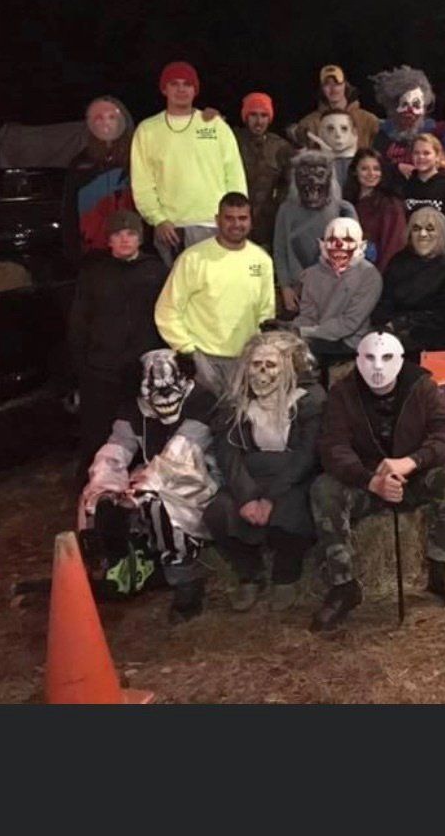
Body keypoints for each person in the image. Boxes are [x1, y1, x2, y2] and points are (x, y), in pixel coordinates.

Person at [310, 328, 445, 630]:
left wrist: (412, 461)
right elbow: (333, 447)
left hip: (412, 477)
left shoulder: (422, 387)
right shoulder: (343, 394)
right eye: (370, 358)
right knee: (324, 488)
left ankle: (442, 568)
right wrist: (369, 480)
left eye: (386, 358)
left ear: (400, 359)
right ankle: (343, 584)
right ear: (358, 359)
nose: (377, 367)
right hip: (366, 483)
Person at [78, 347, 219, 620]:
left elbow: (182, 454)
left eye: (170, 385)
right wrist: (104, 489)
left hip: (201, 478)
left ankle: (185, 579)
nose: (165, 394)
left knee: (157, 501)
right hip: (153, 475)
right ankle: (116, 565)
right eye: (154, 387)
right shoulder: (134, 409)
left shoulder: (202, 401)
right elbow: (116, 448)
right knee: (95, 498)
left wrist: (135, 493)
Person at [204, 329, 326, 612]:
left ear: (287, 367)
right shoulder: (234, 404)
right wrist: (246, 497)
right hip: (251, 477)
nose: (262, 372)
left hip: (292, 479)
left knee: (293, 511)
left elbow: (307, 455)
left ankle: (286, 575)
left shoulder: (310, 400)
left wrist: (271, 498)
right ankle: (250, 573)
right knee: (219, 512)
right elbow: (228, 453)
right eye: (255, 365)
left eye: (270, 365)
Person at [67, 209, 165, 480]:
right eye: (118, 235)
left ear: (140, 238)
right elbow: (79, 321)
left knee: (144, 431)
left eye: (131, 233)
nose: (125, 240)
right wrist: (82, 365)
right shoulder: (94, 273)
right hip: (101, 370)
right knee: (97, 433)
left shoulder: (156, 271)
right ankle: (94, 491)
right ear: (108, 240)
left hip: (143, 371)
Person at [154, 192, 277, 397]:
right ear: (217, 220)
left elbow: (266, 312)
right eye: (229, 218)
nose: (236, 224)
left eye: (242, 218)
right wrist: (189, 352)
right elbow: (167, 310)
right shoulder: (193, 259)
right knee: (199, 426)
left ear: (251, 221)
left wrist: (259, 355)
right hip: (203, 362)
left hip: (246, 362)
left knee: (238, 426)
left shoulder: (262, 261)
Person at [130, 62, 248, 267]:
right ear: (164, 89)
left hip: (216, 225)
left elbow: (234, 174)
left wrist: (235, 219)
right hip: (173, 230)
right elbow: (142, 182)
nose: (181, 89)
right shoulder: (147, 130)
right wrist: (158, 219)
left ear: (195, 90)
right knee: (180, 295)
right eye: (174, 84)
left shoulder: (215, 125)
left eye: (187, 84)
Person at [272, 149, 358, 313]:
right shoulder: (286, 209)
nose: (311, 180)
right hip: (298, 291)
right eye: (304, 175)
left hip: (334, 288)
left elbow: (353, 255)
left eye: (319, 174)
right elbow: (280, 249)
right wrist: (285, 287)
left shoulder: (344, 210)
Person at [297, 216, 383, 373]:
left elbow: (349, 324)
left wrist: (303, 332)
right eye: (332, 239)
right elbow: (307, 315)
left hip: (350, 346)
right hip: (316, 339)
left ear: (361, 246)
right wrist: (290, 329)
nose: (339, 245)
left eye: (348, 239)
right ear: (322, 244)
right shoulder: (311, 274)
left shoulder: (370, 276)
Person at [61, 95, 137, 261]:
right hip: (94, 252)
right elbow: (69, 211)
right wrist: (72, 252)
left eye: (112, 118)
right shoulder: (80, 163)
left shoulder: (137, 158)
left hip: (131, 250)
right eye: (99, 118)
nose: (105, 123)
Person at [380, 202, 445, 355]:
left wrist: (402, 323)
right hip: (392, 338)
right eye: (416, 229)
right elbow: (384, 301)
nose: (423, 234)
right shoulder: (398, 261)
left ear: (442, 233)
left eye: (430, 229)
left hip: (437, 344)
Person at [238, 92, 290, 252]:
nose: (259, 121)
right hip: (236, 220)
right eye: (253, 115)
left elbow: (288, 185)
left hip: (268, 225)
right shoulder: (233, 140)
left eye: (264, 115)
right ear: (246, 117)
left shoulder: (280, 146)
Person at [290, 62, 380, 155]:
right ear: (321, 88)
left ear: (345, 85)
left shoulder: (369, 120)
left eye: (337, 83)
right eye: (327, 84)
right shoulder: (309, 123)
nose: (333, 89)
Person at [401, 129, 445, 241]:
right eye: (416, 153)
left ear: (437, 156)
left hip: (442, 250)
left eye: (426, 153)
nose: (421, 157)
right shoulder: (406, 185)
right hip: (412, 249)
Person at [344, 148, 407, 270]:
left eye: (376, 169)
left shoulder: (391, 205)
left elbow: (393, 247)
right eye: (364, 169)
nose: (371, 173)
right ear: (354, 171)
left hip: (376, 272)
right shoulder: (346, 202)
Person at [372, 67, 437, 176]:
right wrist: (397, 168)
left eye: (416, 105)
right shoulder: (384, 134)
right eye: (404, 104)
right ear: (394, 107)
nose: (409, 111)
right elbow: (375, 165)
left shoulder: (431, 133)